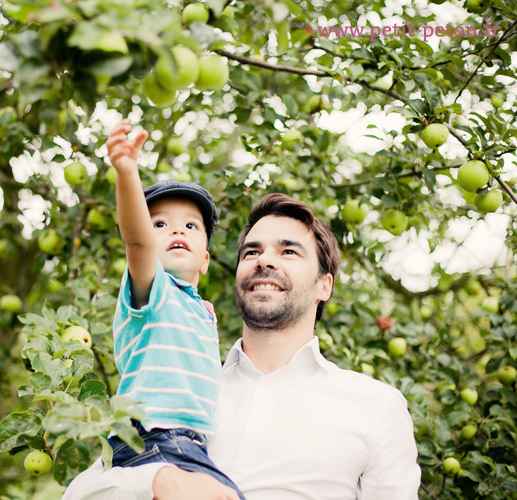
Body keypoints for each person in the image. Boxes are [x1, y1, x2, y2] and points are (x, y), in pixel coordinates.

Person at [61, 192, 422, 500]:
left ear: (324, 286)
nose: (264, 260)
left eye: (289, 252)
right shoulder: (182, 389)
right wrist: (156, 480)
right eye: (251, 252)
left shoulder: (376, 406)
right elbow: (78, 493)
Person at [103, 118, 246, 499]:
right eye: (160, 224)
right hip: (153, 437)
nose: (176, 231)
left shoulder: (199, 310)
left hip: (189, 444)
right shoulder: (154, 289)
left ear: (205, 260)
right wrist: (127, 172)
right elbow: (136, 241)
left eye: (190, 226)